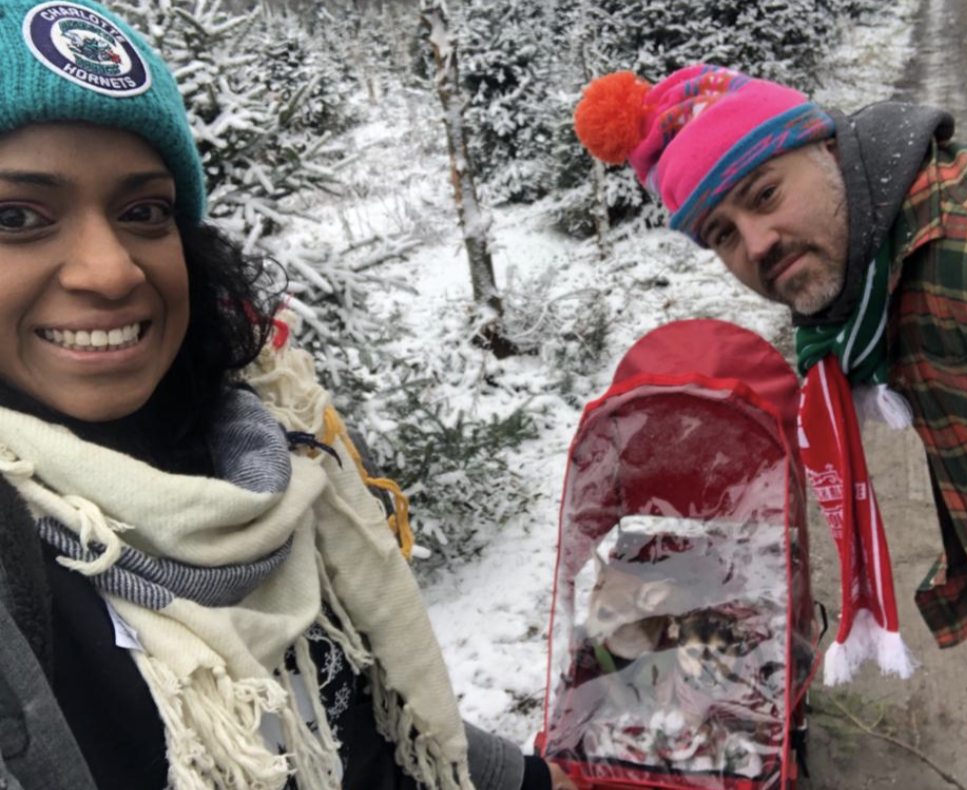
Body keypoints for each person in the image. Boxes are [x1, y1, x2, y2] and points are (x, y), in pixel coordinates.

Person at [0, 1, 574, 788]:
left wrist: (529, 781)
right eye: (16, 216)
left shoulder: (270, 444)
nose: (111, 271)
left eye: (145, 212)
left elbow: (367, 711)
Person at [572, 64, 967, 789]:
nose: (757, 243)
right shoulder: (878, 285)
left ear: (827, 147)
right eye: (723, 233)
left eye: (765, 194)